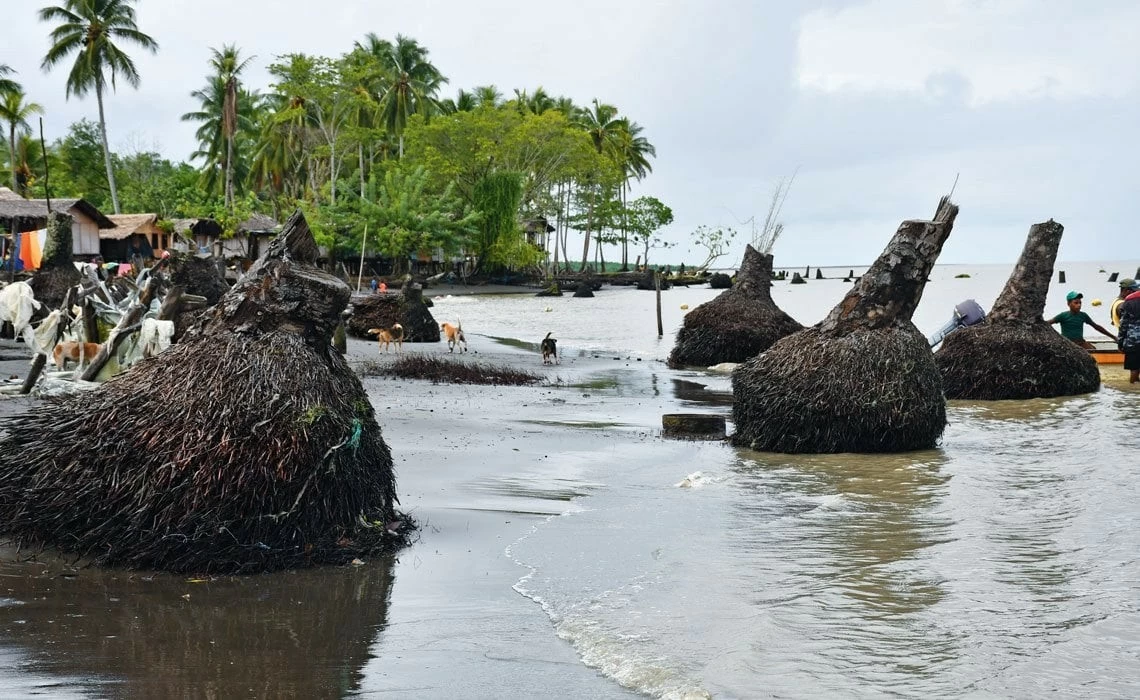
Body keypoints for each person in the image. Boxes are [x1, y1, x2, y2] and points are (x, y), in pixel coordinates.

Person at [1046, 291, 1116, 349]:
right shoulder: (1063, 316)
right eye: (1076, 303)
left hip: (1080, 343)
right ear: (1068, 304)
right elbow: (1047, 324)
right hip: (1067, 344)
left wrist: (1113, 337)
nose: (1079, 305)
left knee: (1093, 350)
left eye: (1080, 303)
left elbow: (1096, 327)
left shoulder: (1083, 315)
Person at [1118, 283, 1140, 383]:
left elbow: (1123, 326)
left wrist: (1120, 343)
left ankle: (1132, 390)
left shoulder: (1129, 301)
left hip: (1132, 342)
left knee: (1134, 369)